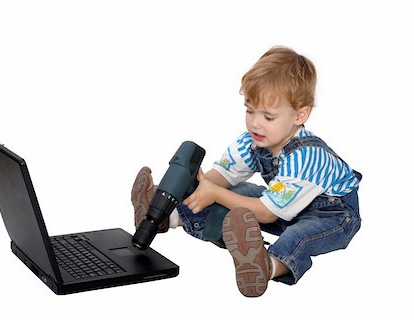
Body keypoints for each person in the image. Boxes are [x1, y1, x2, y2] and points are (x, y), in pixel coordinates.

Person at [131, 46, 362, 298]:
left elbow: (267, 212)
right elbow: (223, 176)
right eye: (250, 110)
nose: (255, 123)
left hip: (332, 215)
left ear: (300, 114)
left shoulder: (306, 158)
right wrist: (193, 187)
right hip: (284, 201)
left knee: (300, 236)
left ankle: (265, 266)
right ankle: (169, 216)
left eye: (268, 116)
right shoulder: (253, 141)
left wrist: (215, 194)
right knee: (235, 192)